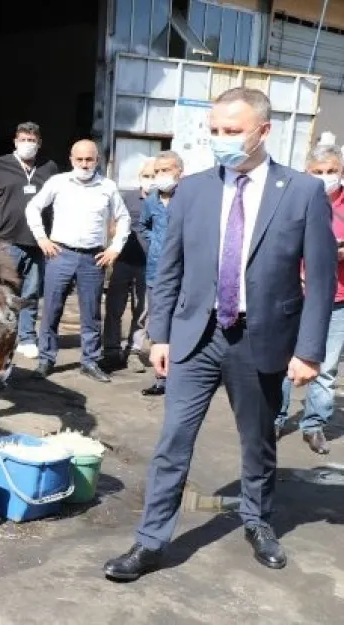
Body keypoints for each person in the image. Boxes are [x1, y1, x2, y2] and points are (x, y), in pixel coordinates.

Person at [103, 87, 336, 581]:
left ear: (263, 131)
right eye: (215, 131)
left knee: (257, 441)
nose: (221, 140)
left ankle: (257, 520)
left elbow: (319, 280)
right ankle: (150, 541)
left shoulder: (301, 192)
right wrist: (158, 334)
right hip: (195, 336)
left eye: (233, 131)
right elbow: (170, 268)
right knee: (173, 441)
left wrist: (310, 351)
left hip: (261, 338)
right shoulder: (194, 188)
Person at [24, 139, 130, 383]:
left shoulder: (108, 187)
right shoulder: (58, 182)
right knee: (51, 308)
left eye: (89, 159)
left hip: (93, 258)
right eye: (79, 159)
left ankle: (90, 361)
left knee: (91, 313)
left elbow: (123, 219)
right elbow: (33, 208)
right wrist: (42, 239)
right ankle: (46, 359)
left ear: (97, 160)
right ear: (71, 159)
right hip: (60, 254)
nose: (84, 164)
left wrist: (115, 248)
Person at [274, 144, 344, 455]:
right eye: (318, 172)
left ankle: (314, 424)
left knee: (325, 366)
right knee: (283, 362)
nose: (325, 177)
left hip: (337, 299)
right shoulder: (294, 199)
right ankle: (274, 418)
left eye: (331, 171)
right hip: (295, 295)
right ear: (307, 172)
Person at [0, 122, 60, 360]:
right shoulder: (0, 165)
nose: (28, 144)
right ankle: (2, 333)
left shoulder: (49, 167)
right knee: (3, 291)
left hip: (38, 242)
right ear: (15, 141)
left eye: (32, 140)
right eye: (23, 139)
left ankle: (26, 337)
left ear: (39, 143)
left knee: (31, 293)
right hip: (5, 239)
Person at [138, 151, 184, 396]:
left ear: (179, 171)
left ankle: (182, 377)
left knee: (183, 325)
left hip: (185, 273)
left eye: (166, 170)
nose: (161, 175)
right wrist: (155, 244)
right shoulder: (151, 200)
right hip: (157, 272)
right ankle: (161, 378)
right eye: (158, 171)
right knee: (159, 324)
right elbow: (143, 226)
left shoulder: (188, 197)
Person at [103, 158, 153, 372]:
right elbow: (114, 223)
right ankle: (111, 350)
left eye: (154, 176)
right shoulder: (129, 197)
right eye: (147, 176)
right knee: (114, 307)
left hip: (149, 265)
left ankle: (134, 350)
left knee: (143, 310)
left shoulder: (165, 200)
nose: (150, 180)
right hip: (123, 261)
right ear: (140, 177)